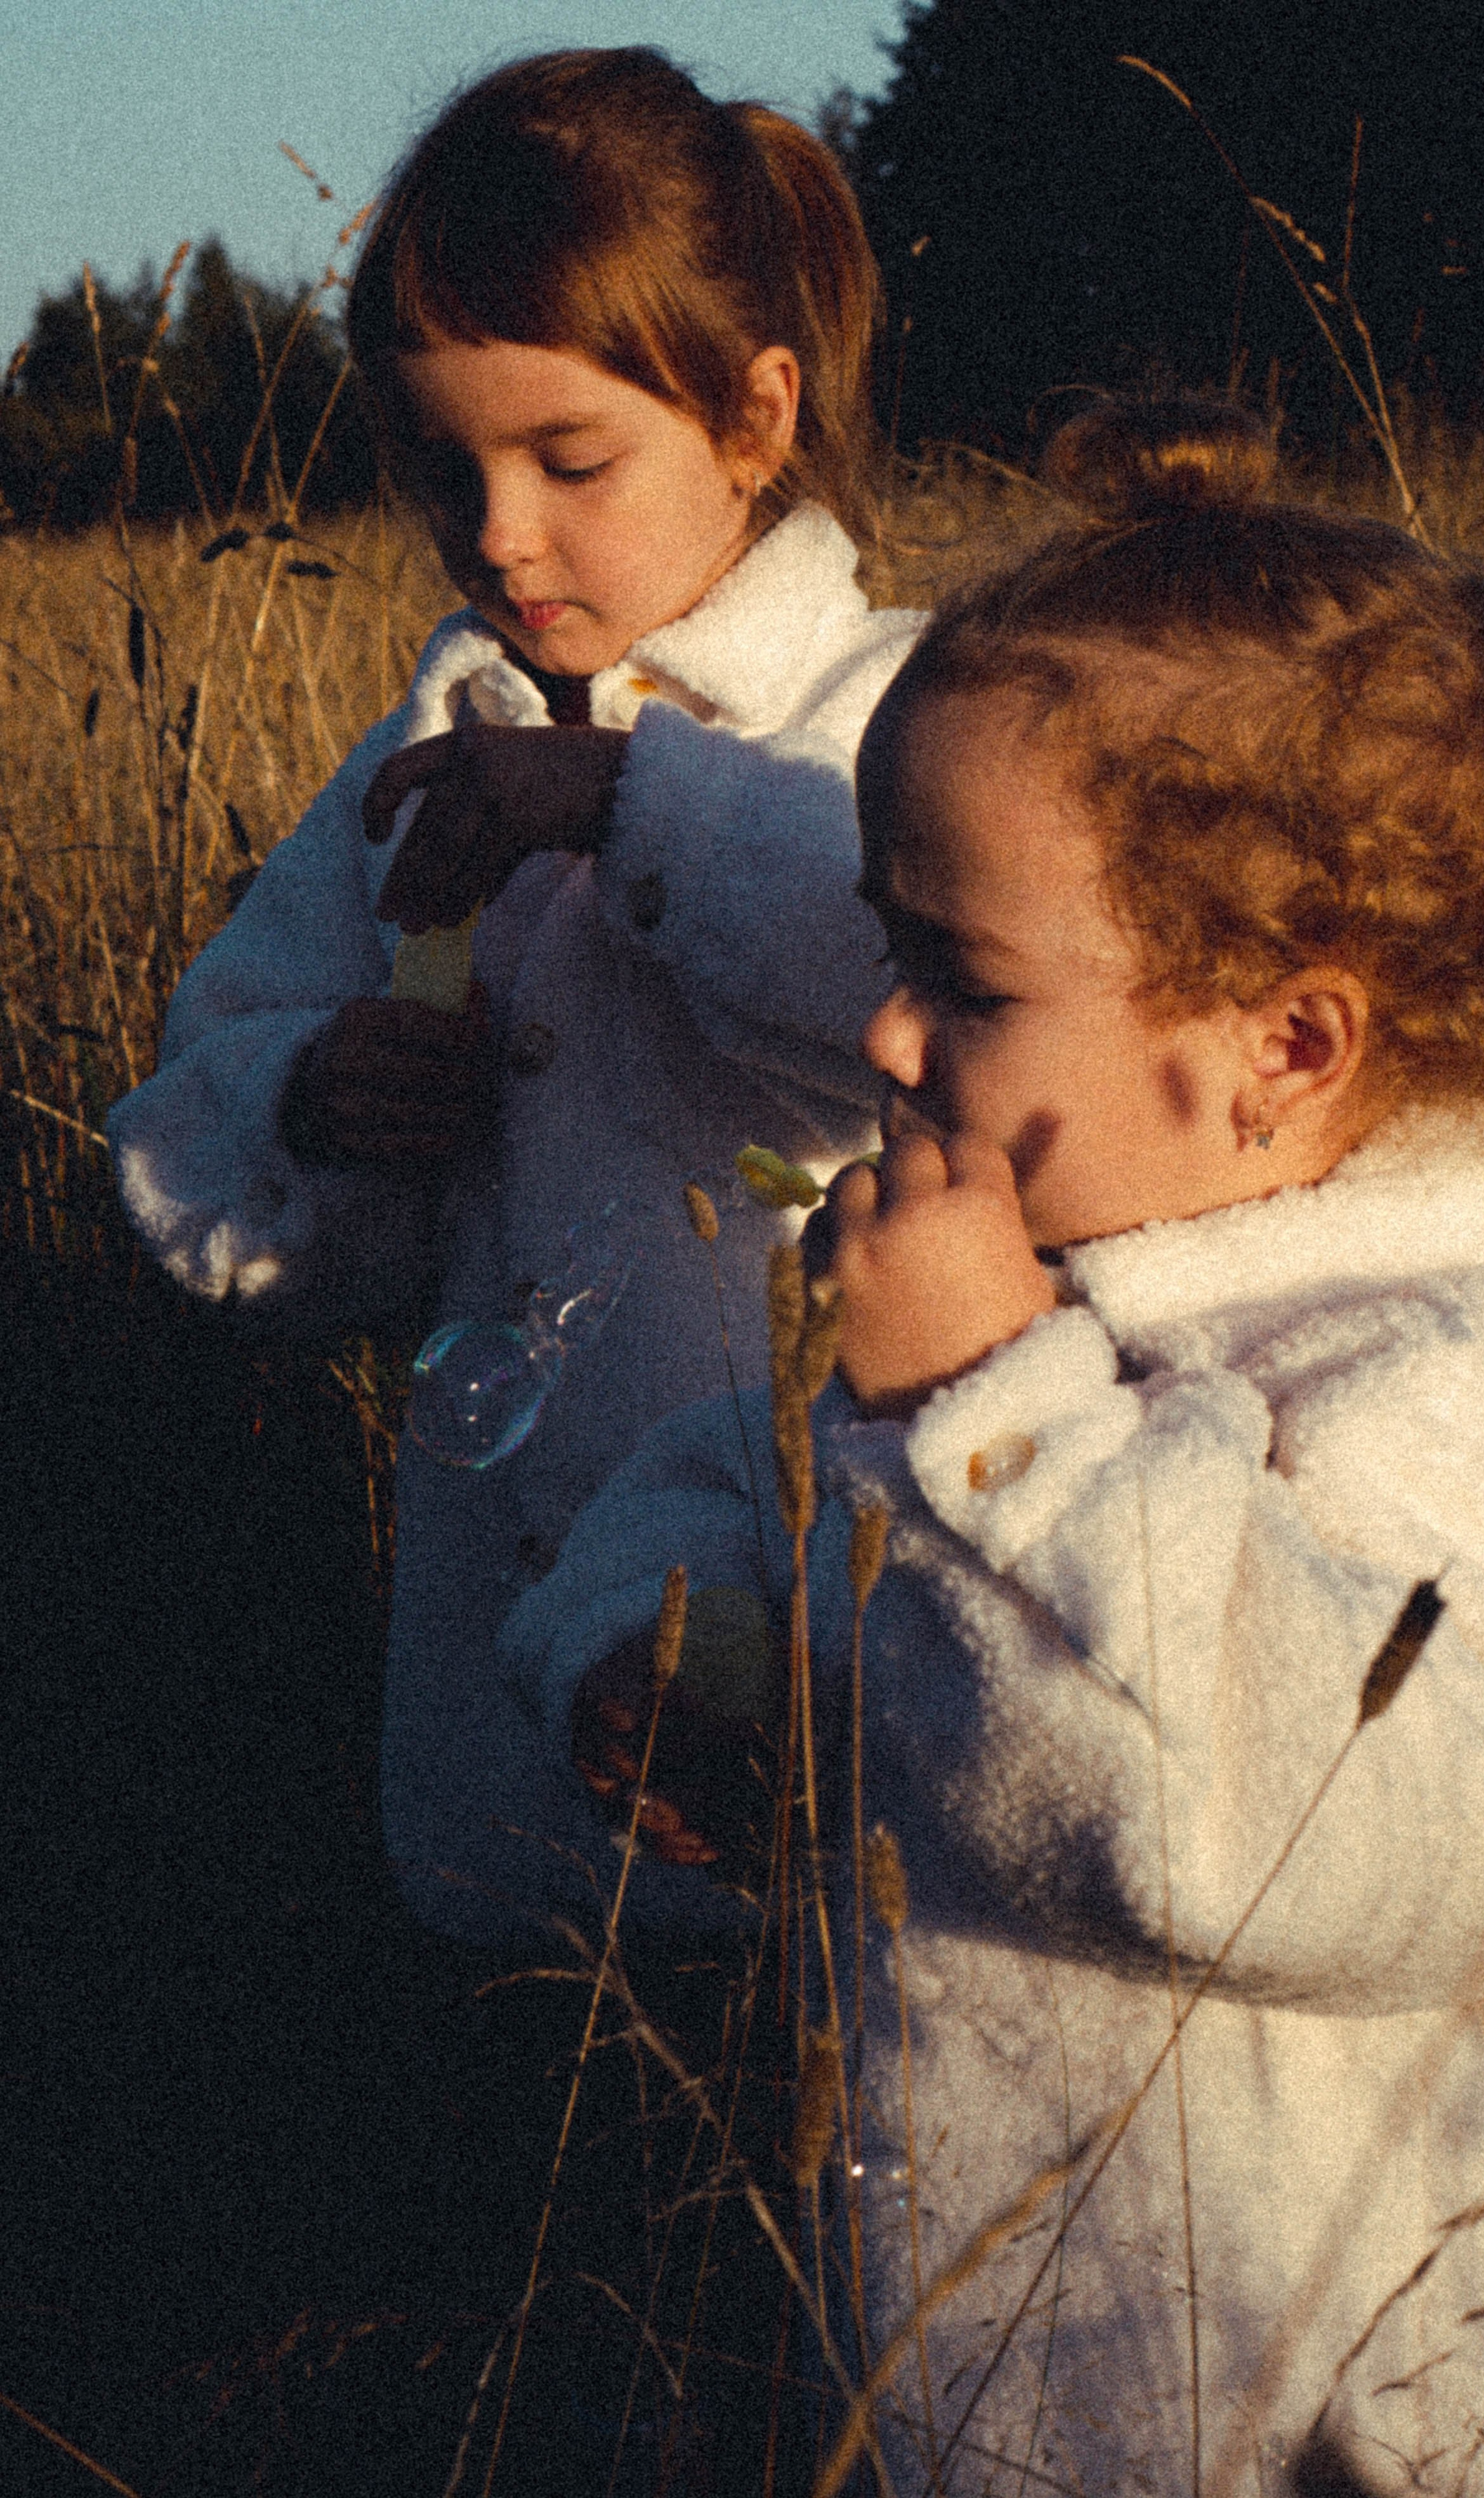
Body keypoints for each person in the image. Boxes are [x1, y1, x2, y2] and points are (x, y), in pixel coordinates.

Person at [509, 458, 1484, 2491]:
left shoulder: (1455, 1374)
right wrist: (654, 1644)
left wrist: (999, 1406)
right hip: (1001, 2363)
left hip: (1351, 2413)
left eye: (967, 983)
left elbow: (1290, 1833)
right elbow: (760, 1478)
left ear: (1288, 1045)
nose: (885, 1035)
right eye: (890, 951)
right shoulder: (1046, 1276)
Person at [105, 48, 924, 1946]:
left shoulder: (905, 716)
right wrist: (311, 1102)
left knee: (792, 2045)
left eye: (569, 461)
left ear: (756, 416)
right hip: (509, 1784)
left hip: (831, 1700)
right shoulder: (424, 757)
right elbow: (182, 1129)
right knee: (526, 2070)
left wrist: (632, 802)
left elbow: (930, 992)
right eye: (443, 466)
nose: (495, 533)